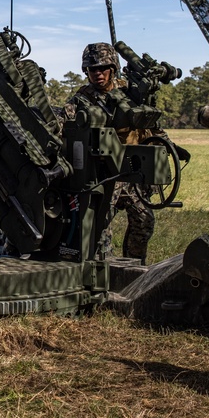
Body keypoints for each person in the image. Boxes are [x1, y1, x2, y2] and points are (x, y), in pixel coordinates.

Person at [65, 42, 156, 263]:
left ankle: (134, 266)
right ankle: (102, 270)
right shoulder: (81, 99)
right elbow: (65, 124)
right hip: (104, 173)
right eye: (92, 69)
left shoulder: (130, 92)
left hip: (133, 171)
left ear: (113, 68)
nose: (98, 73)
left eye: (103, 68)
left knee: (143, 222)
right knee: (99, 227)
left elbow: (152, 127)